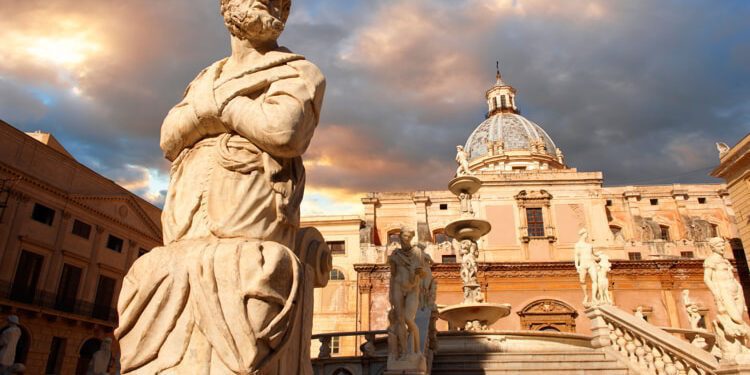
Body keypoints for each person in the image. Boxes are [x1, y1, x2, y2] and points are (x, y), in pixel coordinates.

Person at [115, 0, 326, 373]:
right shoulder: (204, 77)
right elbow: (168, 138)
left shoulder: (299, 72)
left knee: (253, 279)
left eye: (283, 3)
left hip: (247, 218)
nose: (276, 5)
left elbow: (283, 130)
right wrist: (239, 111)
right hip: (186, 225)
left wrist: (213, 110)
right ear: (228, 6)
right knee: (151, 276)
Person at [387, 228, 424, 360]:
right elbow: (393, 274)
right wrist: (390, 294)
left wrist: (416, 275)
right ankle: (404, 352)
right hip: (397, 285)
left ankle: (417, 350)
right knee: (400, 319)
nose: (406, 238)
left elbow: (421, 273)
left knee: (409, 318)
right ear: (400, 237)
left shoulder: (417, 252)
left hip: (413, 288)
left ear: (411, 237)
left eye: (409, 236)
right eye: (404, 236)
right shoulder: (395, 254)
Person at [574, 228, 598, 306]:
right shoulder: (578, 245)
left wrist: (599, 258)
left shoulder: (590, 245)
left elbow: (593, 255)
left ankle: (594, 297)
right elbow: (576, 256)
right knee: (582, 281)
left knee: (595, 280)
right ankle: (586, 295)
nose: (587, 235)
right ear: (583, 235)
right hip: (583, 264)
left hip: (591, 263)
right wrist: (577, 266)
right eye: (586, 234)